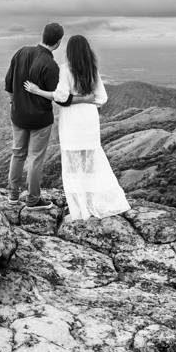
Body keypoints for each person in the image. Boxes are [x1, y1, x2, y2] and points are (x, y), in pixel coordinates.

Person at [24, 34, 130, 220]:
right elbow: (102, 98)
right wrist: (87, 101)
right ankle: (91, 203)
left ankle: (79, 207)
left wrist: (38, 91)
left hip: (72, 121)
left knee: (73, 165)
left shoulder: (64, 70)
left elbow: (61, 96)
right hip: (89, 120)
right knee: (89, 164)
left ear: (69, 51)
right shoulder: (92, 70)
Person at [4, 22, 64, 209]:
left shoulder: (21, 52)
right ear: (59, 42)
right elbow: (55, 96)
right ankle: (33, 199)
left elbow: (8, 84)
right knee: (35, 158)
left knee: (18, 154)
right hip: (40, 120)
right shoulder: (51, 65)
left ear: (43, 35)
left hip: (18, 116)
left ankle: (13, 195)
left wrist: (14, 104)